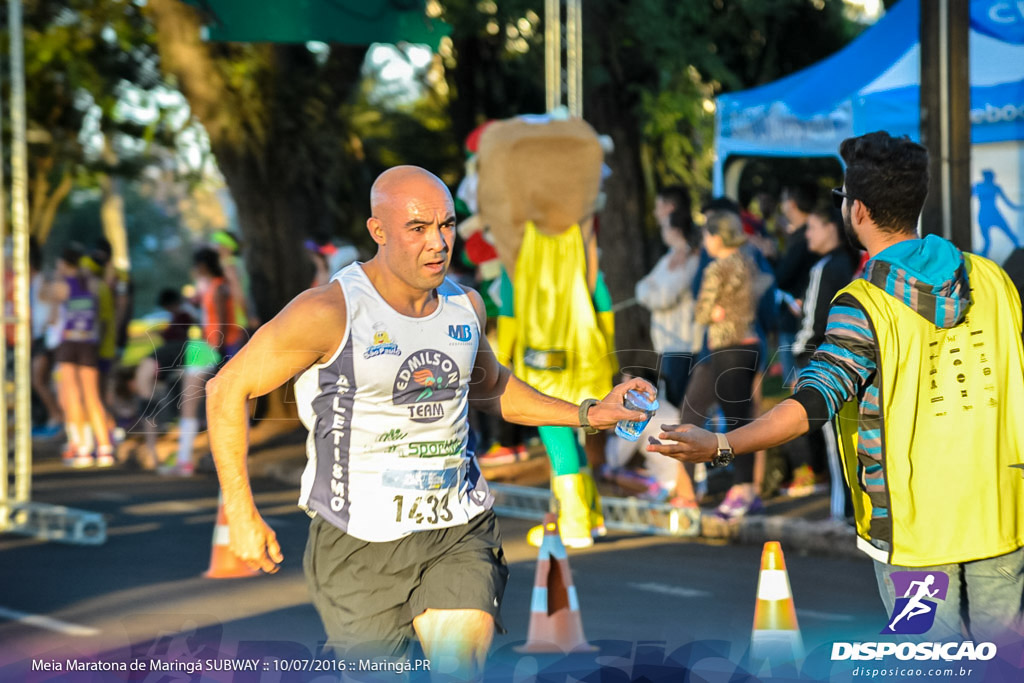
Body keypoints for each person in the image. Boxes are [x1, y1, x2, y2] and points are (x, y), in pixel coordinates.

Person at [204, 166, 653, 674]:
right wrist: (240, 510)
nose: (438, 243)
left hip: (457, 526)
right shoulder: (330, 310)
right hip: (358, 542)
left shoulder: (465, 306)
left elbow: (491, 387)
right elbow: (226, 388)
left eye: (446, 225)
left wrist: (589, 412)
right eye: (418, 228)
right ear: (378, 232)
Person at [649, 131, 1024, 645]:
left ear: (860, 211)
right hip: (1002, 511)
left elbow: (810, 404)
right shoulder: (993, 279)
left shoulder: (863, 302)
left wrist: (721, 443)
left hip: (915, 530)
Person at [783, 203, 859, 514]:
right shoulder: (853, 264)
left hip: (821, 364)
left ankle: (842, 513)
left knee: (835, 444)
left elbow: (813, 324)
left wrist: (800, 366)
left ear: (831, 228)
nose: (808, 234)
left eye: (812, 227)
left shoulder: (824, 268)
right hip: (854, 360)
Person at [42, 246, 116, 467]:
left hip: (68, 344)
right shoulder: (93, 284)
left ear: (64, 263)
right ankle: (105, 448)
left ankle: (82, 448)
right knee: (92, 396)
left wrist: (56, 278)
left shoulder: (61, 286)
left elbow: (52, 317)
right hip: (89, 343)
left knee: (72, 396)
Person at [775, 183, 821, 387]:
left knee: (798, 387)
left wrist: (770, 257)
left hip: (798, 321)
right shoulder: (800, 236)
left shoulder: (803, 239)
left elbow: (783, 275)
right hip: (801, 319)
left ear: (791, 203)